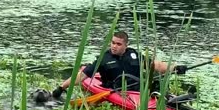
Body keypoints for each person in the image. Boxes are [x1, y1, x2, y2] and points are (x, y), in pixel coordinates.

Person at [52, 31, 187, 98]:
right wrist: (62, 87)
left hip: (138, 90)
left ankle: (175, 100)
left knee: (157, 85)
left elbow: (155, 65)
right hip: (118, 92)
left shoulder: (134, 54)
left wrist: (174, 68)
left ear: (125, 45)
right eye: (113, 43)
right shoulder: (103, 59)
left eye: (118, 44)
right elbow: (82, 76)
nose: (114, 46)